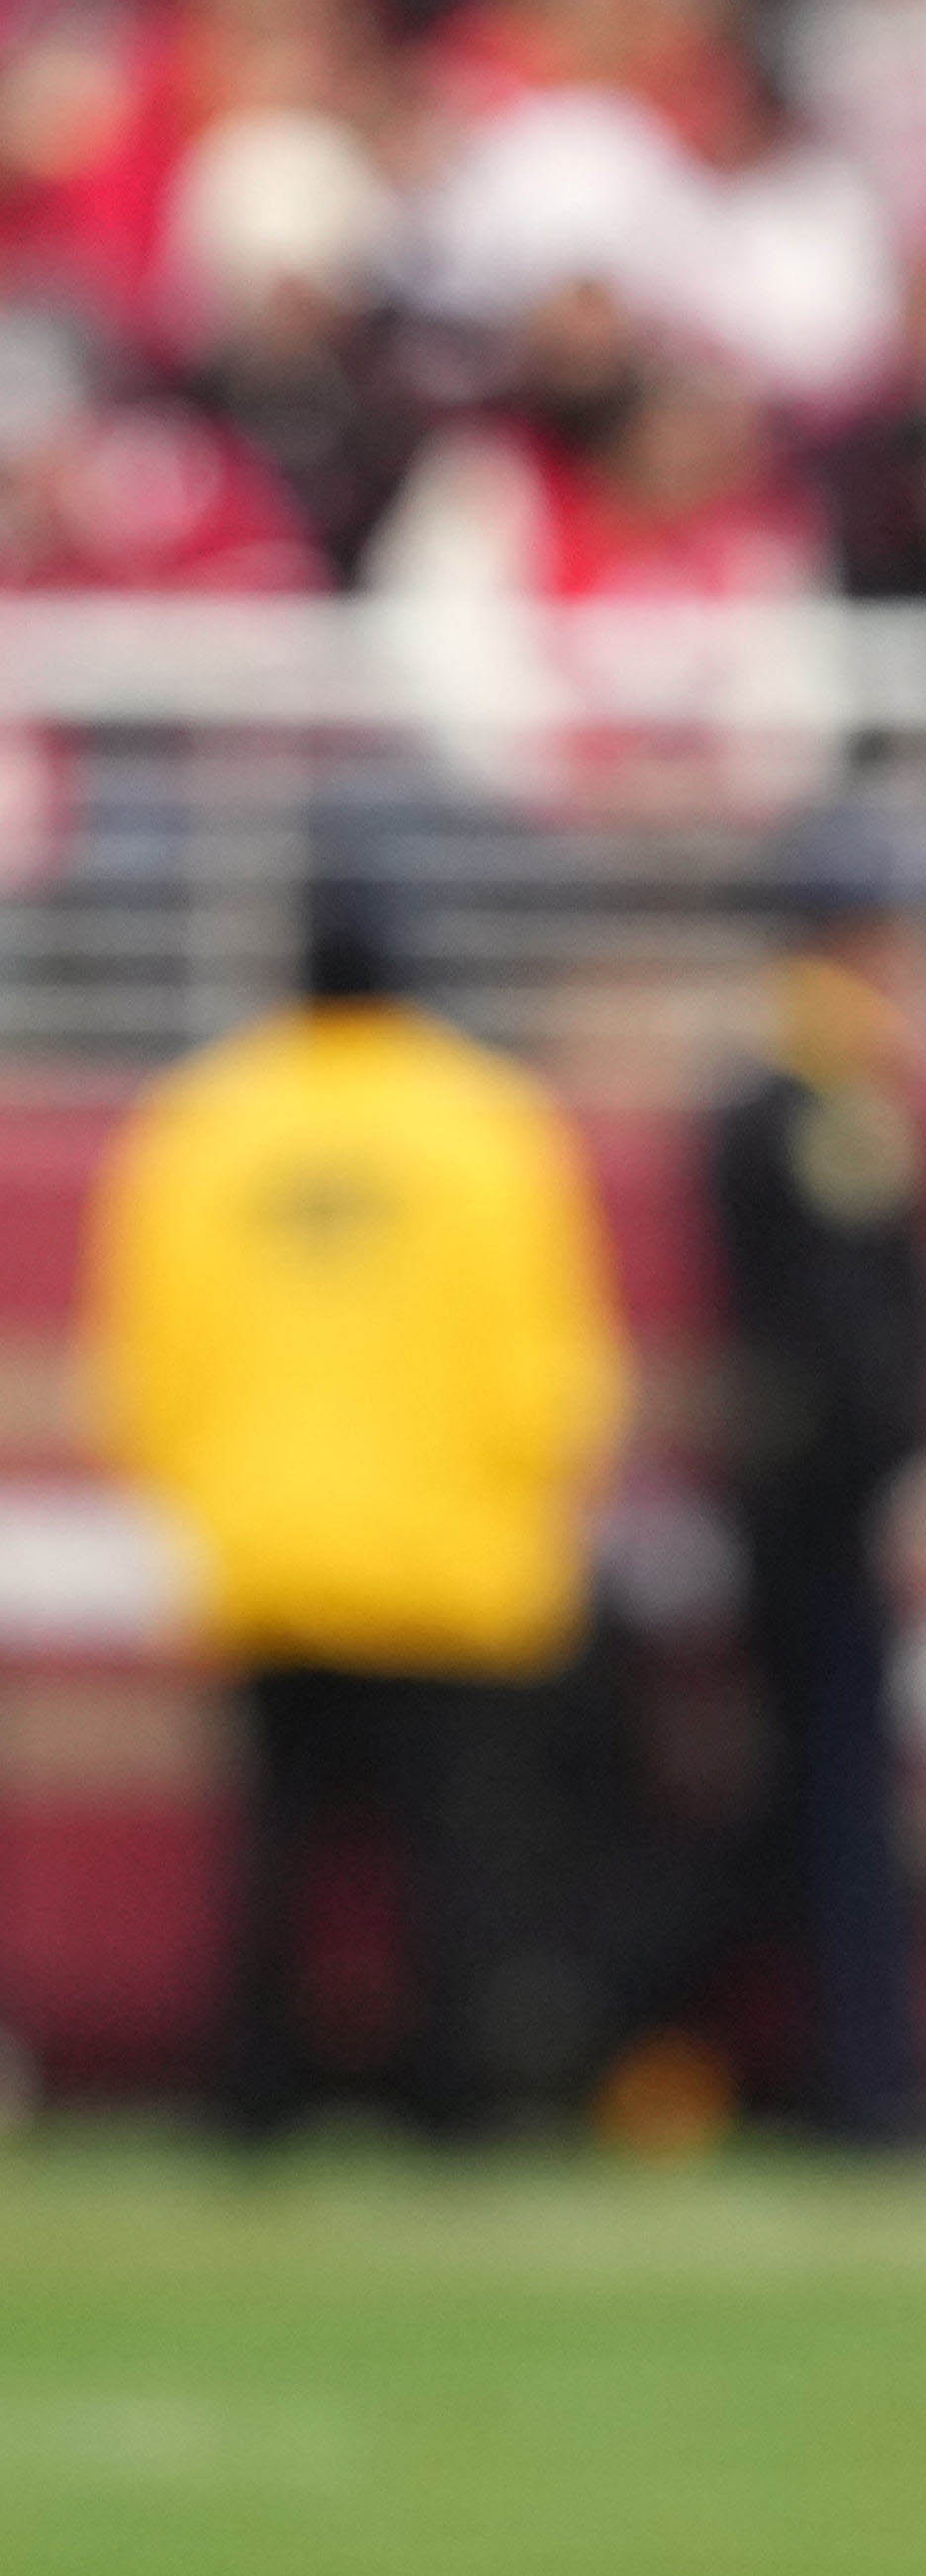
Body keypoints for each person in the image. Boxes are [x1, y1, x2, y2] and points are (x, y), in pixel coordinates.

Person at [82, 869, 622, 2140]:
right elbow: (545, 1367)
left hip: (270, 1549)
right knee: (453, 1859)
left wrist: (209, 1497)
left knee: (275, 1846)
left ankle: (254, 2094)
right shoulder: (485, 1123)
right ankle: (452, 2100)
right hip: (448, 1559)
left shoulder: (203, 1123)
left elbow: (148, 1363)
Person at [699, 847, 926, 2139]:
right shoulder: (828, 1103)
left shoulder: (782, 1096)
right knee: (844, 1795)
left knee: (807, 1790)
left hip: (787, 1498)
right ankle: (866, 2083)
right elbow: (861, 1336)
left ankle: (797, 2069)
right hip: (823, 1509)